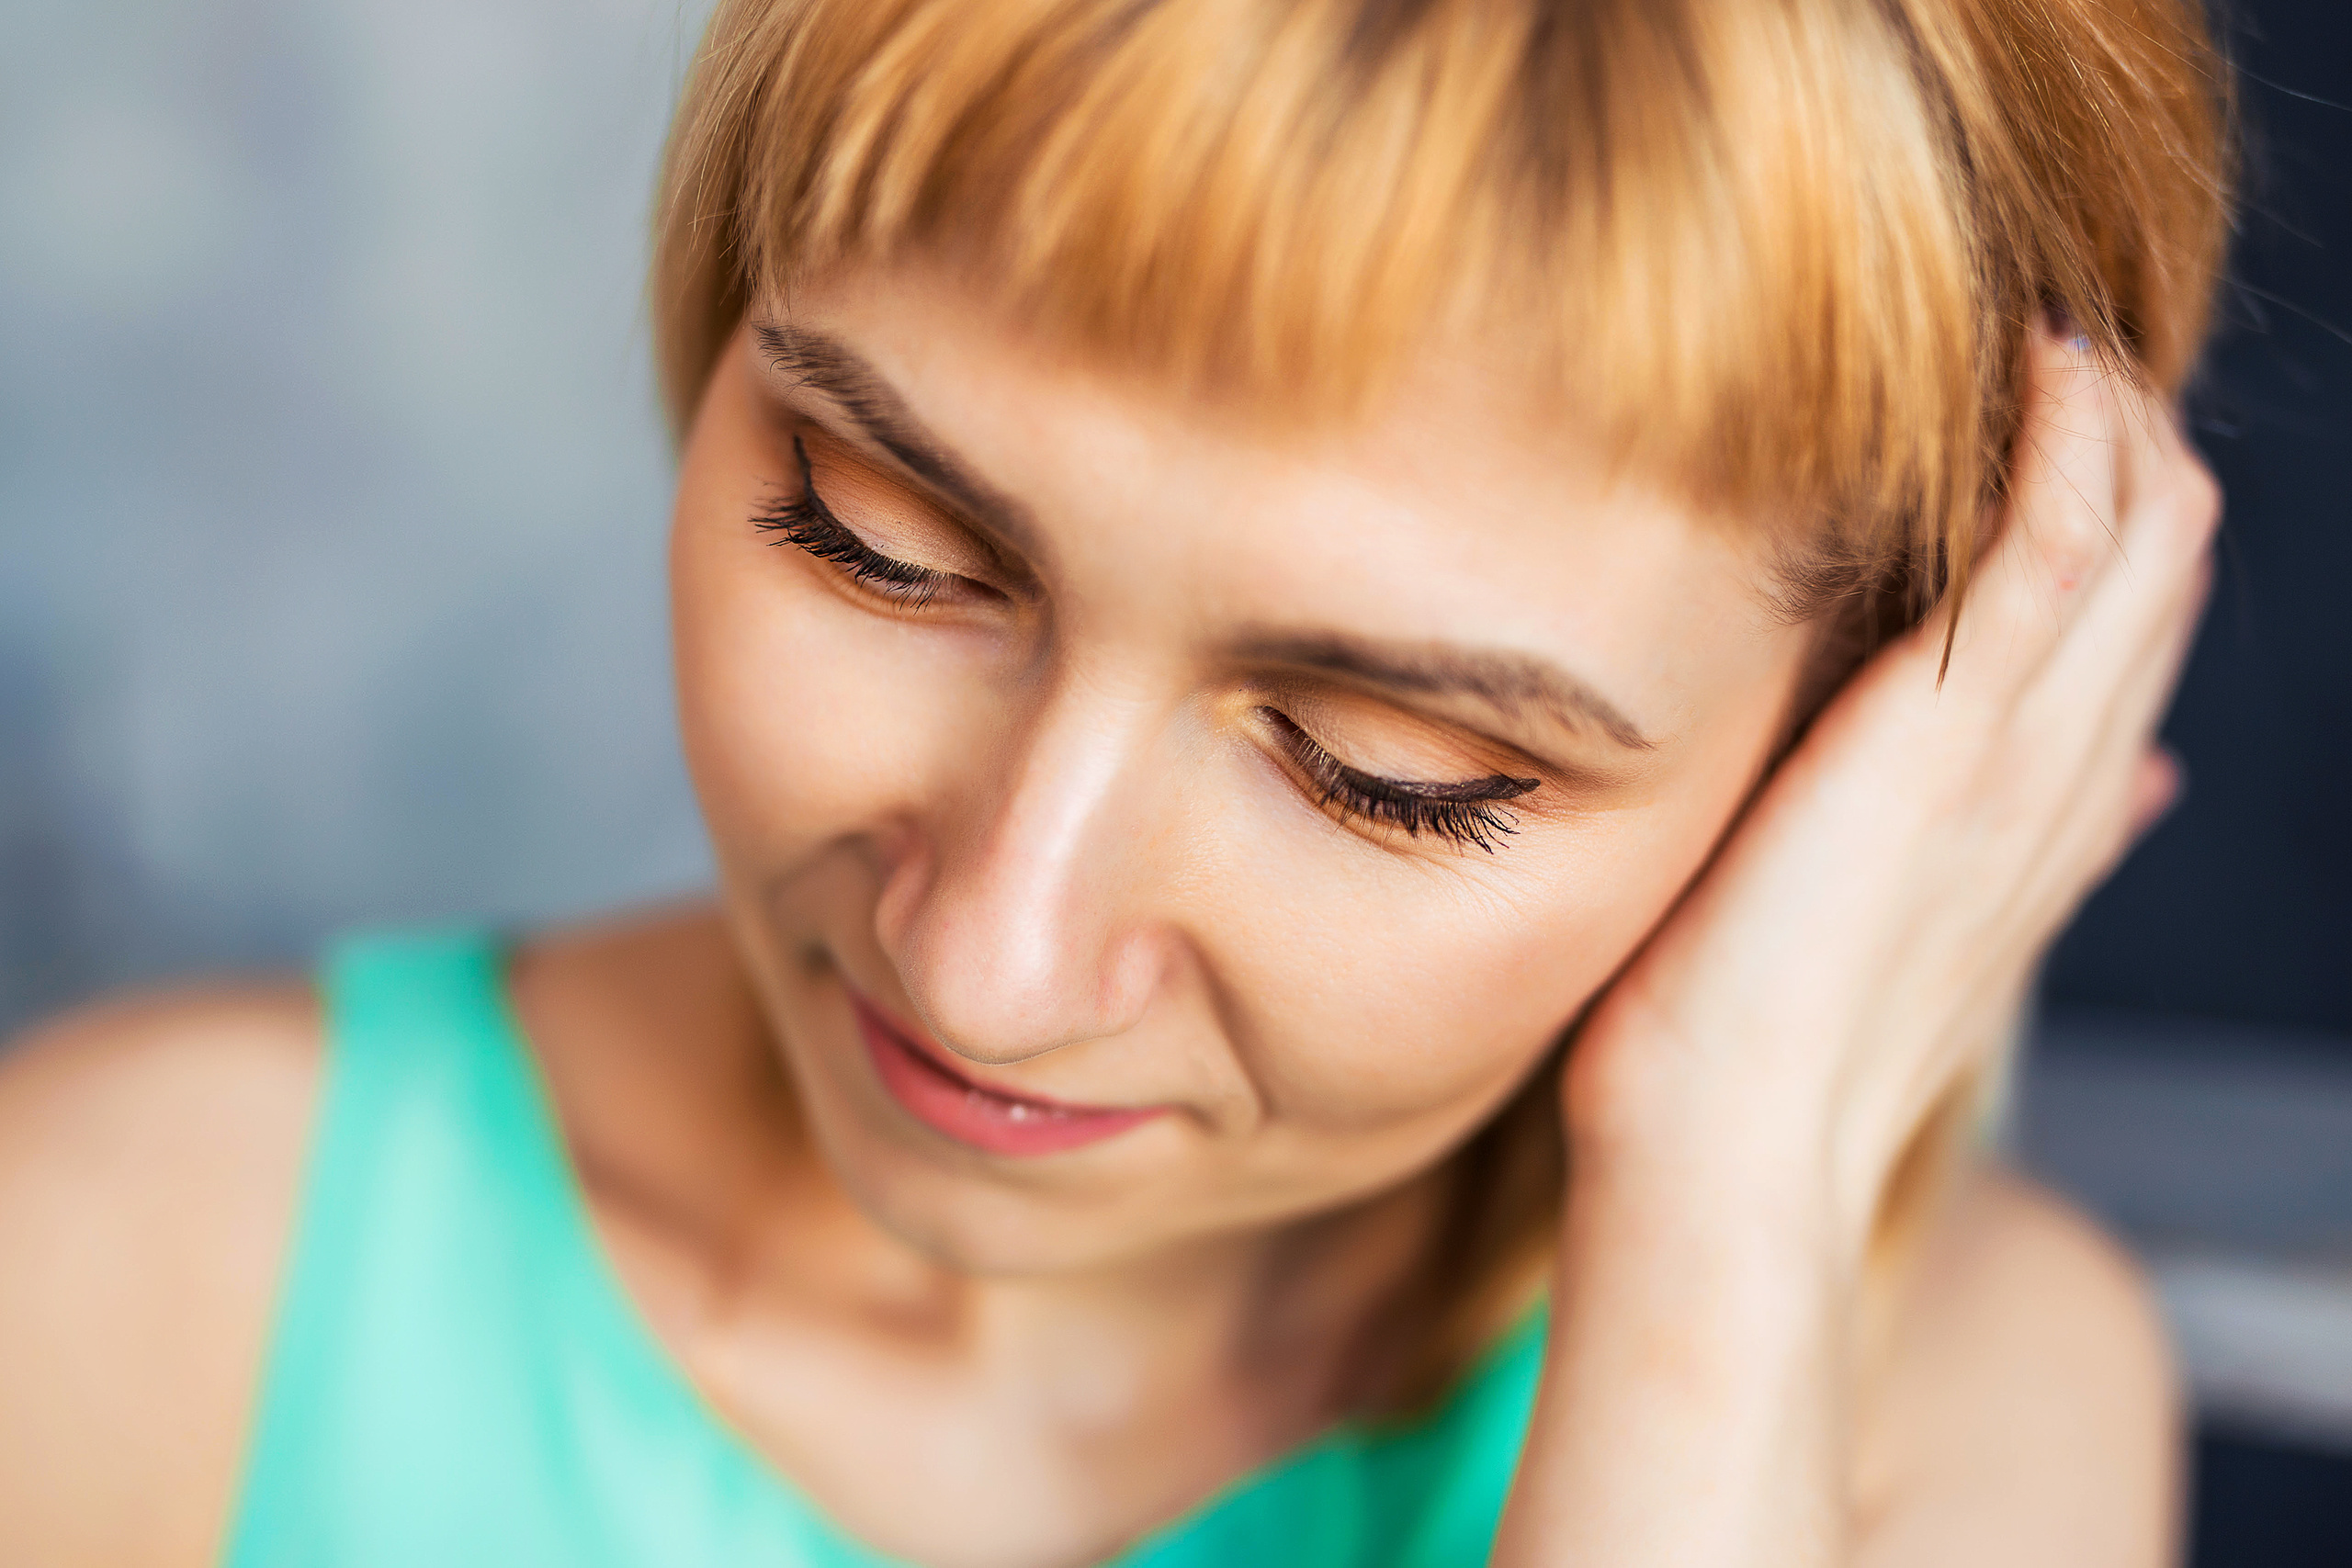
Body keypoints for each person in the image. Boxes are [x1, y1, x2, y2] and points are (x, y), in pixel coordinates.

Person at [0, 0, 2231, 1562]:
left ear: (1873, 753)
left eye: (1393, 773)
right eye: (874, 539)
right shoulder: (122, 1266)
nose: (989, 951)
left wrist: (1725, 1198)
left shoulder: (1927, 1406)